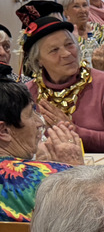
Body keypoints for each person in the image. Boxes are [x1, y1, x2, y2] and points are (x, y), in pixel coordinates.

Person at [23, 16, 104, 152]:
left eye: (69, 44)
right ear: (38, 60)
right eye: (54, 50)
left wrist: (73, 130)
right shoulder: (28, 93)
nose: (66, 53)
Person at [0, 64, 82, 220]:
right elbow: (95, 218)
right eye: (31, 114)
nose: (39, 123)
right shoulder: (47, 179)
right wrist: (74, 170)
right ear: (3, 131)